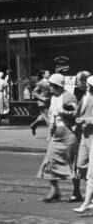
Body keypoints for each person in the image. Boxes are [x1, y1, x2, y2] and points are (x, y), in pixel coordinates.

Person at [36, 72, 78, 202]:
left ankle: (76, 192)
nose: (50, 87)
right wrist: (50, 131)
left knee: (71, 163)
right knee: (49, 161)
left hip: (68, 134)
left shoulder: (68, 96)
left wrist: (63, 112)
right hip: (56, 134)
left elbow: (76, 113)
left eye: (52, 85)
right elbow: (51, 115)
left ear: (57, 85)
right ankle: (54, 191)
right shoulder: (53, 97)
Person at [73, 73, 93, 209]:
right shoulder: (84, 96)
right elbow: (78, 112)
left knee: (91, 169)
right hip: (84, 135)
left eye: (86, 84)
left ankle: (88, 197)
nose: (84, 85)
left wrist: (84, 120)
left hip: (91, 135)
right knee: (80, 164)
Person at [30, 70, 52, 136]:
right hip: (42, 102)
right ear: (43, 75)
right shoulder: (40, 83)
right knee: (47, 116)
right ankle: (51, 131)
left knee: (43, 117)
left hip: (49, 101)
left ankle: (33, 125)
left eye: (49, 73)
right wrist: (42, 98)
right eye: (47, 73)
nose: (49, 74)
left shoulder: (51, 82)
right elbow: (34, 92)